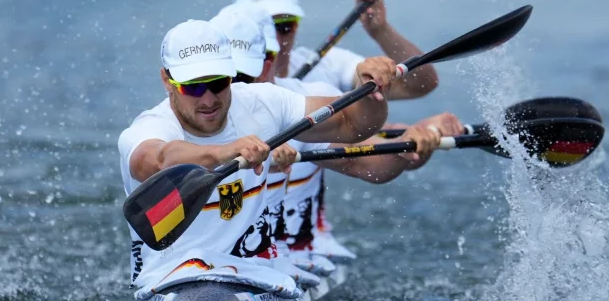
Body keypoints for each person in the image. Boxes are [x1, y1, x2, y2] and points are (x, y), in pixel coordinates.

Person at [118, 19, 439, 300]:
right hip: (178, 281)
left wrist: (369, 89)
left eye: (217, 83)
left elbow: (356, 125)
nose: (208, 98)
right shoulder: (150, 127)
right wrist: (223, 152)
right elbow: (157, 160)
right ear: (166, 80)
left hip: (261, 276)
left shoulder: (264, 103)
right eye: (193, 87)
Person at [210, 8, 464, 292]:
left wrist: (406, 145)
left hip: (289, 256)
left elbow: (365, 161)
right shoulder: (179, 117)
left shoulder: (296, 105)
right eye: (219, 79)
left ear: (267, 66)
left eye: (242, 76)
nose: (230, 90)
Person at [231, 0, 439, 99]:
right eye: (262, 26)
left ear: (297, 25)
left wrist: (380, 31)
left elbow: (420, 85)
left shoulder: (326, 67)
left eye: (284, 26)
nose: (275, 39)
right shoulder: (216, 89)